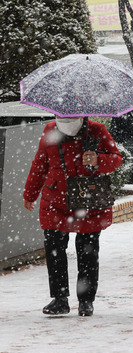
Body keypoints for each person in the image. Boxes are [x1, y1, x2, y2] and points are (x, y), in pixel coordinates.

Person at [23, 116, 122, 316]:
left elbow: (116, 159)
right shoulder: (51, 130)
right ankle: (60, 299)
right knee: (54, 249)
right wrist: (30, 194)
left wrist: (98, 160)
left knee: (88, 253)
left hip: (88, 201)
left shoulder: (96, 130)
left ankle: (86, 301)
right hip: (55, 200)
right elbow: (40, 164)